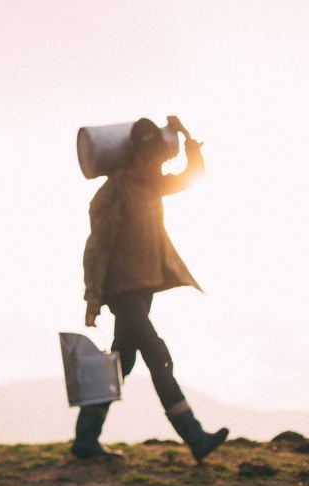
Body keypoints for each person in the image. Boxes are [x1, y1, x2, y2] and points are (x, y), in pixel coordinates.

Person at [75, 116, 228, 463]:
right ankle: (194, 435)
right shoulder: (113, 193)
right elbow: (96, 249)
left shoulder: (151, 185)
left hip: (142, 291)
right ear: (136, 159)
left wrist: (187, 137)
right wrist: (93, 299)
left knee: (122, 363)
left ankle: (85, 439)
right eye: (153, 161)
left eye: (162, 162)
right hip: (122, 292)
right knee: (158, 355)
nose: (159, 168)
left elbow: (194, 175)